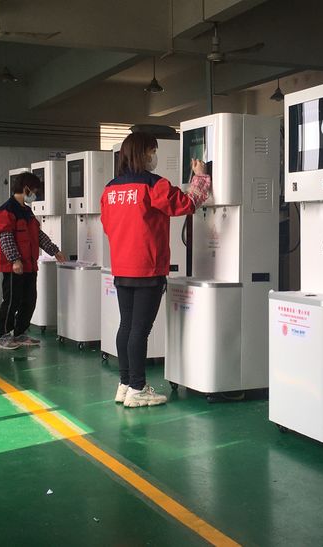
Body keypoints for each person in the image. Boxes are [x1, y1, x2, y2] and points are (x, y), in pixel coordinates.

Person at [101, 132, 210, 408]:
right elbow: (187, 204)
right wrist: (200, 177)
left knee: (126, 326)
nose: (154, 156)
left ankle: (125, 384)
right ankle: (138, 388)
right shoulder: (154, 185)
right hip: (148, 268)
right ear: (143, 153)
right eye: (152, 151)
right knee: (140, 330)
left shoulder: (110, 189)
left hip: (122, 266)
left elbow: (107, 225)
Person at [0, 172, 66, 350]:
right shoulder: (7, 210)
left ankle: (19, 333)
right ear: (26, 188)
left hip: (29, 265)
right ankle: (2, 336)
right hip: (14, 266)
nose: (35, 194)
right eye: (34, 190)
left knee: (29, 300)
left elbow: (38, 235)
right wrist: (15, 259)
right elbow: (5, 237)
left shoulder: (27, 211)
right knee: (12, 300)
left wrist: (54, 250)